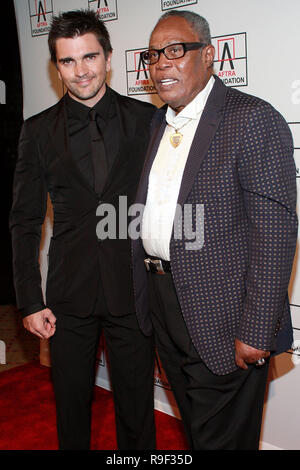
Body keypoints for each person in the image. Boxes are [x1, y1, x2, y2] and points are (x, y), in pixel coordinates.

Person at [132, 10, 298, 450]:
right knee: (196, 431)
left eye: (175, 51)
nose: (161, 63)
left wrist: (258, 329)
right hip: (165, 303)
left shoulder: (251, 119)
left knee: (221, 441)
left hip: (225, 316)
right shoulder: (157, 123)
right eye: (153, 55)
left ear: (208, 55)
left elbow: (276, 233)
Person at [10, 10, 156, 450]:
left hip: (133, 289)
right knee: (71, 407)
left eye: (90, 57)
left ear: (109, 58)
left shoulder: (147, 120)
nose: (81, 71)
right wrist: (30, 300)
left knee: (136, 409)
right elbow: (24, 220)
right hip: (68, 296)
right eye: (68, 61)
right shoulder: (37, 132)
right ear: (57, 67)